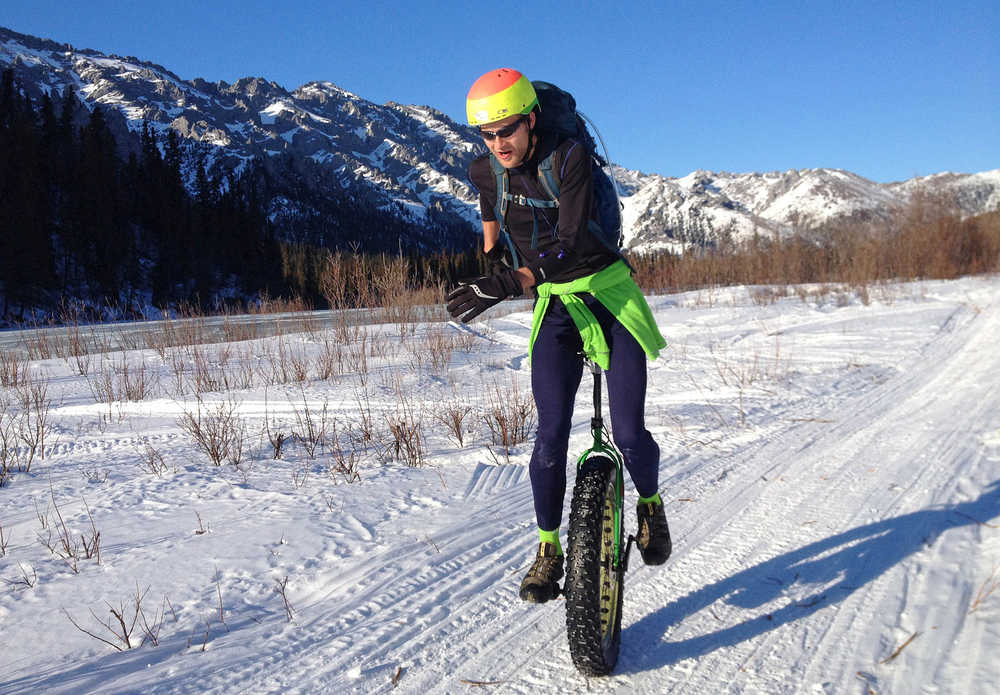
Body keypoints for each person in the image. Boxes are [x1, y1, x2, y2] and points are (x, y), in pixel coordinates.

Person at [447, 68, 671, 603]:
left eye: (508, 130)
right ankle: (549, 550)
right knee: (548, 437)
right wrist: (490, 249)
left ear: (529, 121)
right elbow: (488, 200)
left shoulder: (567, 158)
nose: (499, 143)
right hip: (557, 307)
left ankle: (650, 505)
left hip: (609, 296)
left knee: (630, 433)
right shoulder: (485, 169)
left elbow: (569, 241)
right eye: (488, 134)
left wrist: (511, 280)